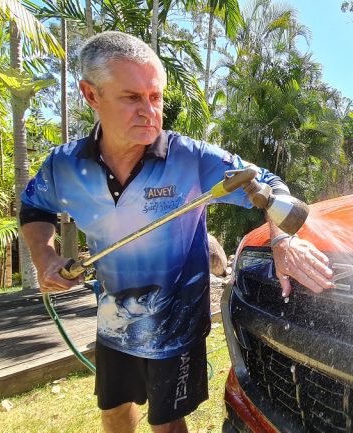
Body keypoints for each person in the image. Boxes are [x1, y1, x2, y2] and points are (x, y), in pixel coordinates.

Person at [20, 31, 334, 433]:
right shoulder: (64, 166)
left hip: (176, 327)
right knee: (115, 410)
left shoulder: (191, 158)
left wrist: (282, 238)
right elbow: (35, 206)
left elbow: (266, 182)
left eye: (156, 97)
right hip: (113, 319)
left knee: (168, 423)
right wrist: (44, 257)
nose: (149, 111)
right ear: (91, 95)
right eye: (132, 97)